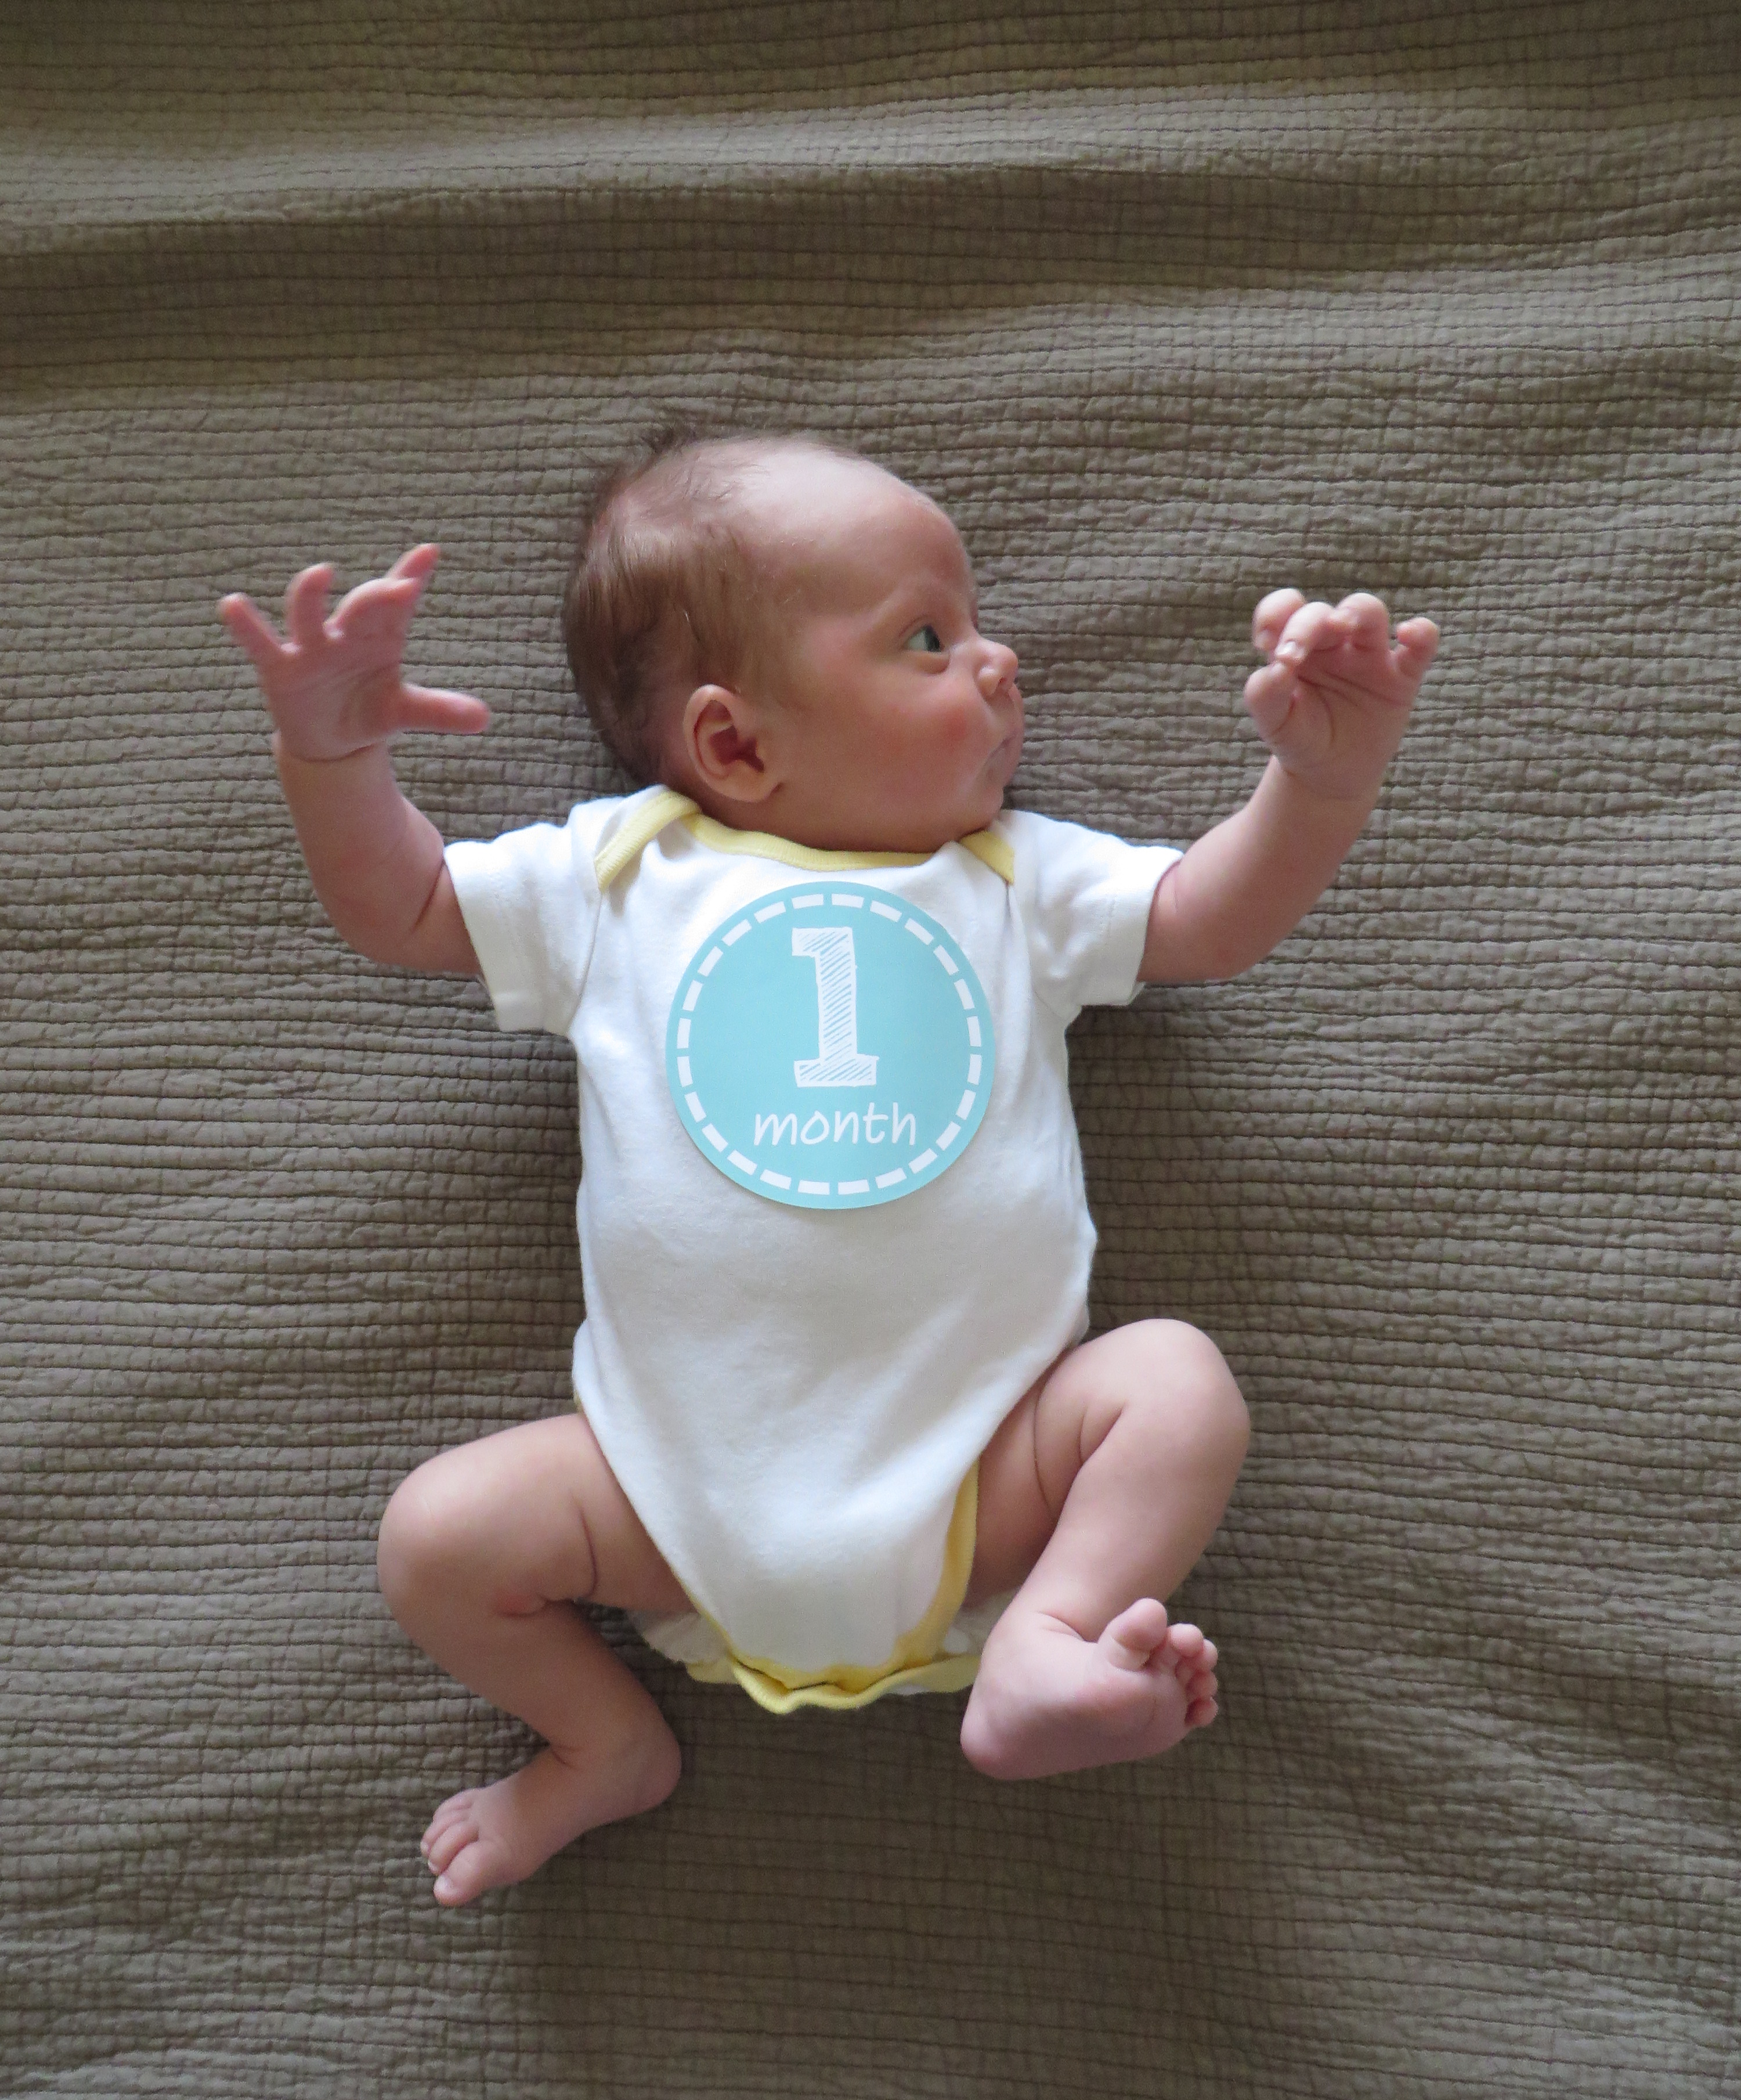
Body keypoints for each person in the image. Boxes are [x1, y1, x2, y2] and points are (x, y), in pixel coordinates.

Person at [219, 430, 1439, 1907]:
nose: (997, 660)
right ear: (735, 745)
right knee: (433, 1540)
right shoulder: (615, 878)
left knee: (1177, 1388)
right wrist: (332, 758)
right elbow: (406, 903)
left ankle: (1047, 1634)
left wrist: (1319, 784)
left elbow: (1206, 919)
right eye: (928, 638)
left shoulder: (1016, 878)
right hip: (668, 1498)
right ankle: (604, 1740)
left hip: (989, 1475)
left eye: (976, 624)